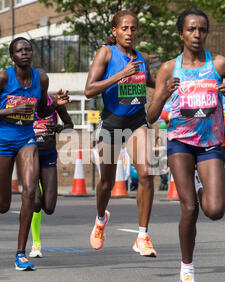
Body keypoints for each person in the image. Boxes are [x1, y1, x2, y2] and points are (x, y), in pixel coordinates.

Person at [146, 9, 225, 282]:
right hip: (180, 142)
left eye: (202, 30)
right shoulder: (170, 68)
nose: (197, 35)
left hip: (210, 143)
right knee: (189, 208)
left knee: (216, 209)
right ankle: (187, 270)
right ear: (181, 33)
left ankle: (198, 188)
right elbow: (150, 116)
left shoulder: (219, 63)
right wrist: (163, 94)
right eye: (191, 30)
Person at [0, 37, 69, 271]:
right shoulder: (3, 77)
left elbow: (42, 110)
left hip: (27, 139)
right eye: (20, 50)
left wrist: (56, 104)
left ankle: (20, 253)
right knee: (3, 206)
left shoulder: (41, 79)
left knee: (29, 192)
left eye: (28, 49)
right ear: (12, 56)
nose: (25, 53)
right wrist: (11, 110)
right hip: (3, 140)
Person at [84, 10, 157, 257]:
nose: (129, 33)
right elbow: (89, 90)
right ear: (114, 31)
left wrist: (178, 81)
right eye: (124, 28)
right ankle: (100, 220)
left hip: (137, 120)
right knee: (107, 182)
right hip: (111, 122)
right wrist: (120, 75)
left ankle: (142, 236)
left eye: (133, 29)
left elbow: (156, 82)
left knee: (147, 174)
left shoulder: (142, 58)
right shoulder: (106, 53)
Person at [29, 94, 73, 258]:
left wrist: (60, 128)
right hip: (29, 157)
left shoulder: (54, 102)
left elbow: (69, 124)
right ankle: (36, 244)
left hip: (49, 156)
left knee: (49, 207)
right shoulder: (27, 101)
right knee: (36, 202)